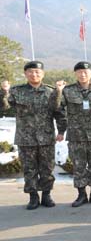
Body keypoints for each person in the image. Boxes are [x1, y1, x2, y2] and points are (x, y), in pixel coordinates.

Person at [0, 61, 66, 210]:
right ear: (25, 74)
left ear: (43, 74)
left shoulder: (51, 92)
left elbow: (59, 112)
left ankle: (46, 195)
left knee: (47, 168)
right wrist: (4, 91)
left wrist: (61, 131)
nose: (34, 74)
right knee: (29, 169)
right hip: (25, 138)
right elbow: (5, 107)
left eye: (37, 72)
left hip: (46, 137)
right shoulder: (17, 91)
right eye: (30, 71)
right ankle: (33, 196)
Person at [59, 61, 91, 207]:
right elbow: (57, 109)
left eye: (85, 72)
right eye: (79, 72)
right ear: (75, 74)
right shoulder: (67, 91)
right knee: (78, 166)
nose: (82, 74)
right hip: (76, 135)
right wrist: (58, 91)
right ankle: (81, 195)